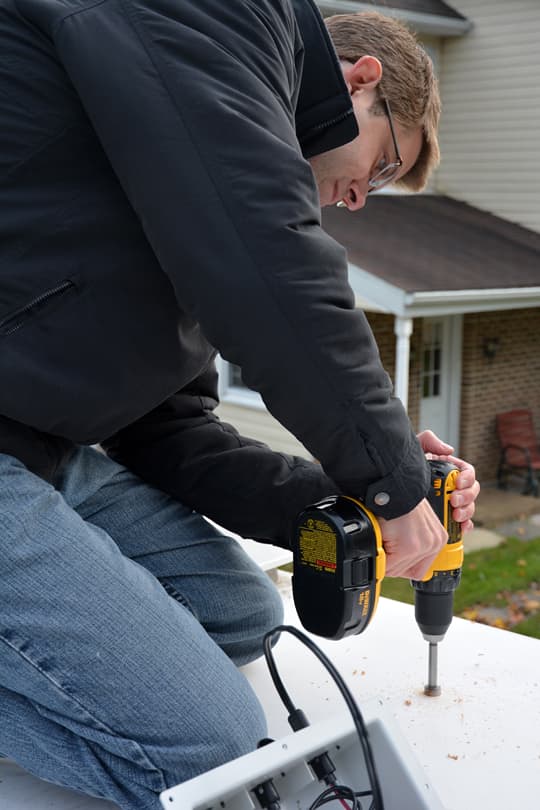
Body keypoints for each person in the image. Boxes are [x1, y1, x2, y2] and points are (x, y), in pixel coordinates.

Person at [0, 0, 479, 807]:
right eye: (387, 166)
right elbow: (270, 258)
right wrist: (393, 474)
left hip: (36, 437)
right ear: (361, 81)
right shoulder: (214, 16)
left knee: (242, 615)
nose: (361, 199)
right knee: (211, 742)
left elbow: (168, 428)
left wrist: (351, 500)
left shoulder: (181, 161)